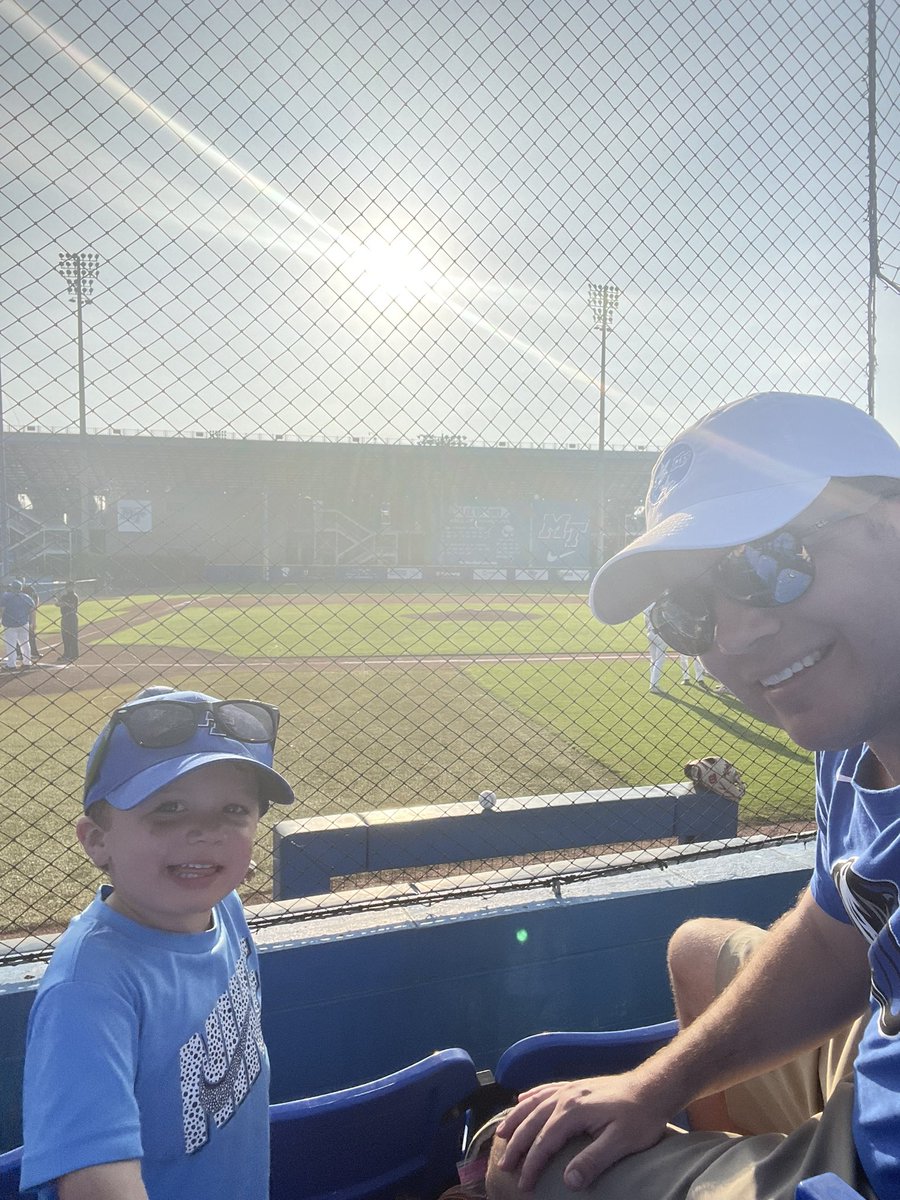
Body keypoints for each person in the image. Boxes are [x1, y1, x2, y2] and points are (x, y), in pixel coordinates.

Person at [487, 391, 900, 1200]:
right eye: (689, 609)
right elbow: (831, 937)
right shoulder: (852, 728)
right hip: (876, 1062)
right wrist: (654, 1084)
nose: (734, 636)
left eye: (768, 561)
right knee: (699, 948)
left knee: (524, 1178)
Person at [19, 685, 295, 1200]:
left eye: (234, 810)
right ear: (97, 841)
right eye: (168, 808)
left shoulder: (223, 909)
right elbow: (96, 1182)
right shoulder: (91, 989)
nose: (206, 832)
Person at [643, 606, 705, 695]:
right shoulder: (661, 606)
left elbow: (645, 621)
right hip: (660, 635)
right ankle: (654, 685)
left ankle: (652, 683)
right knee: (659, 660)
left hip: (649, 633)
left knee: (653, 659)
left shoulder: (648, 607)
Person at [0, 578, 35, 671]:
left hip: (10, 624)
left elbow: (2, 610)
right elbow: (32, 610)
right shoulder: (26, 597)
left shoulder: (6, 596)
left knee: (10, 645)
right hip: (23, 623)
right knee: (25, 643)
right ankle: (27, 662)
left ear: (12, 588)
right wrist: (33, 622)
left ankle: (11, 664)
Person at [56, 579, 79, 662]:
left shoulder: (74, 596)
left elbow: (72, 606)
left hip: (72, 618)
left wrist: (63, 603)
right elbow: (57, 604)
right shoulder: (64, 596)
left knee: (72, 636)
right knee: (65, 637)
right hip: (64, 618)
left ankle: (74, 654)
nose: (70, 588)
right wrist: (59, 601)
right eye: (69, 586)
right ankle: (66, 654)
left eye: (72, 586)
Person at [21, 581, 41, 661]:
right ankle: (32, 653)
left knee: (20, 636)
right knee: (29, 636)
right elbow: (35, 602)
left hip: (21, 618)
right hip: (26, 618)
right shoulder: (29, 590)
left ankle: (22, 654)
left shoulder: (22, 591)